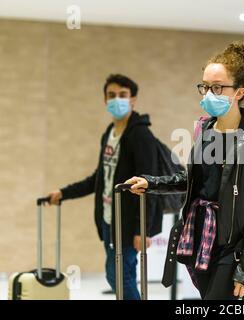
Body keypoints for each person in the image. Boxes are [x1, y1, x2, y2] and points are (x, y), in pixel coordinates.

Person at [124, 43, 244, 300]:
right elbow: (194, 180)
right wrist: (153, 183)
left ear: (239, 92)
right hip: (200, 238)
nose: (208, 93)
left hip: (233, 246)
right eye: (204, 86)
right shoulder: (204, 130)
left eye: (217, 87)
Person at [47, 74, 162, 300]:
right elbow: (99, 178)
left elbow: (151, 183)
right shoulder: (109, 134)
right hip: (110, 218)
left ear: (133, 100)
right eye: (111, 95)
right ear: (104, 100)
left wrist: (143, 229)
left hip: (129, 221)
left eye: (123, 95)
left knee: (116, 275)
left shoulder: (140, 135)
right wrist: (64, 193)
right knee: (123, 273)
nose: (116, 99)